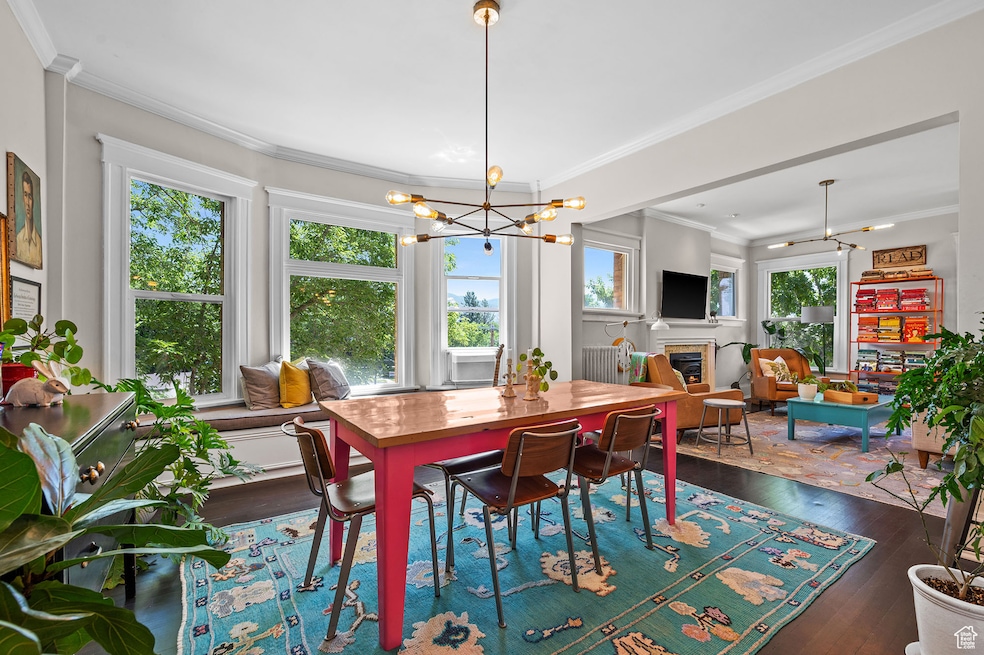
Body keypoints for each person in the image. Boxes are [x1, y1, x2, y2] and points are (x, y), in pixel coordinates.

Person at [15, 170, 41, 268]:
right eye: (25, 195)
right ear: (22, 198)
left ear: (33, 200)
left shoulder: (39, 243)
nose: (27, 203)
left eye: (30, 196)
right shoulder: (18, 239)